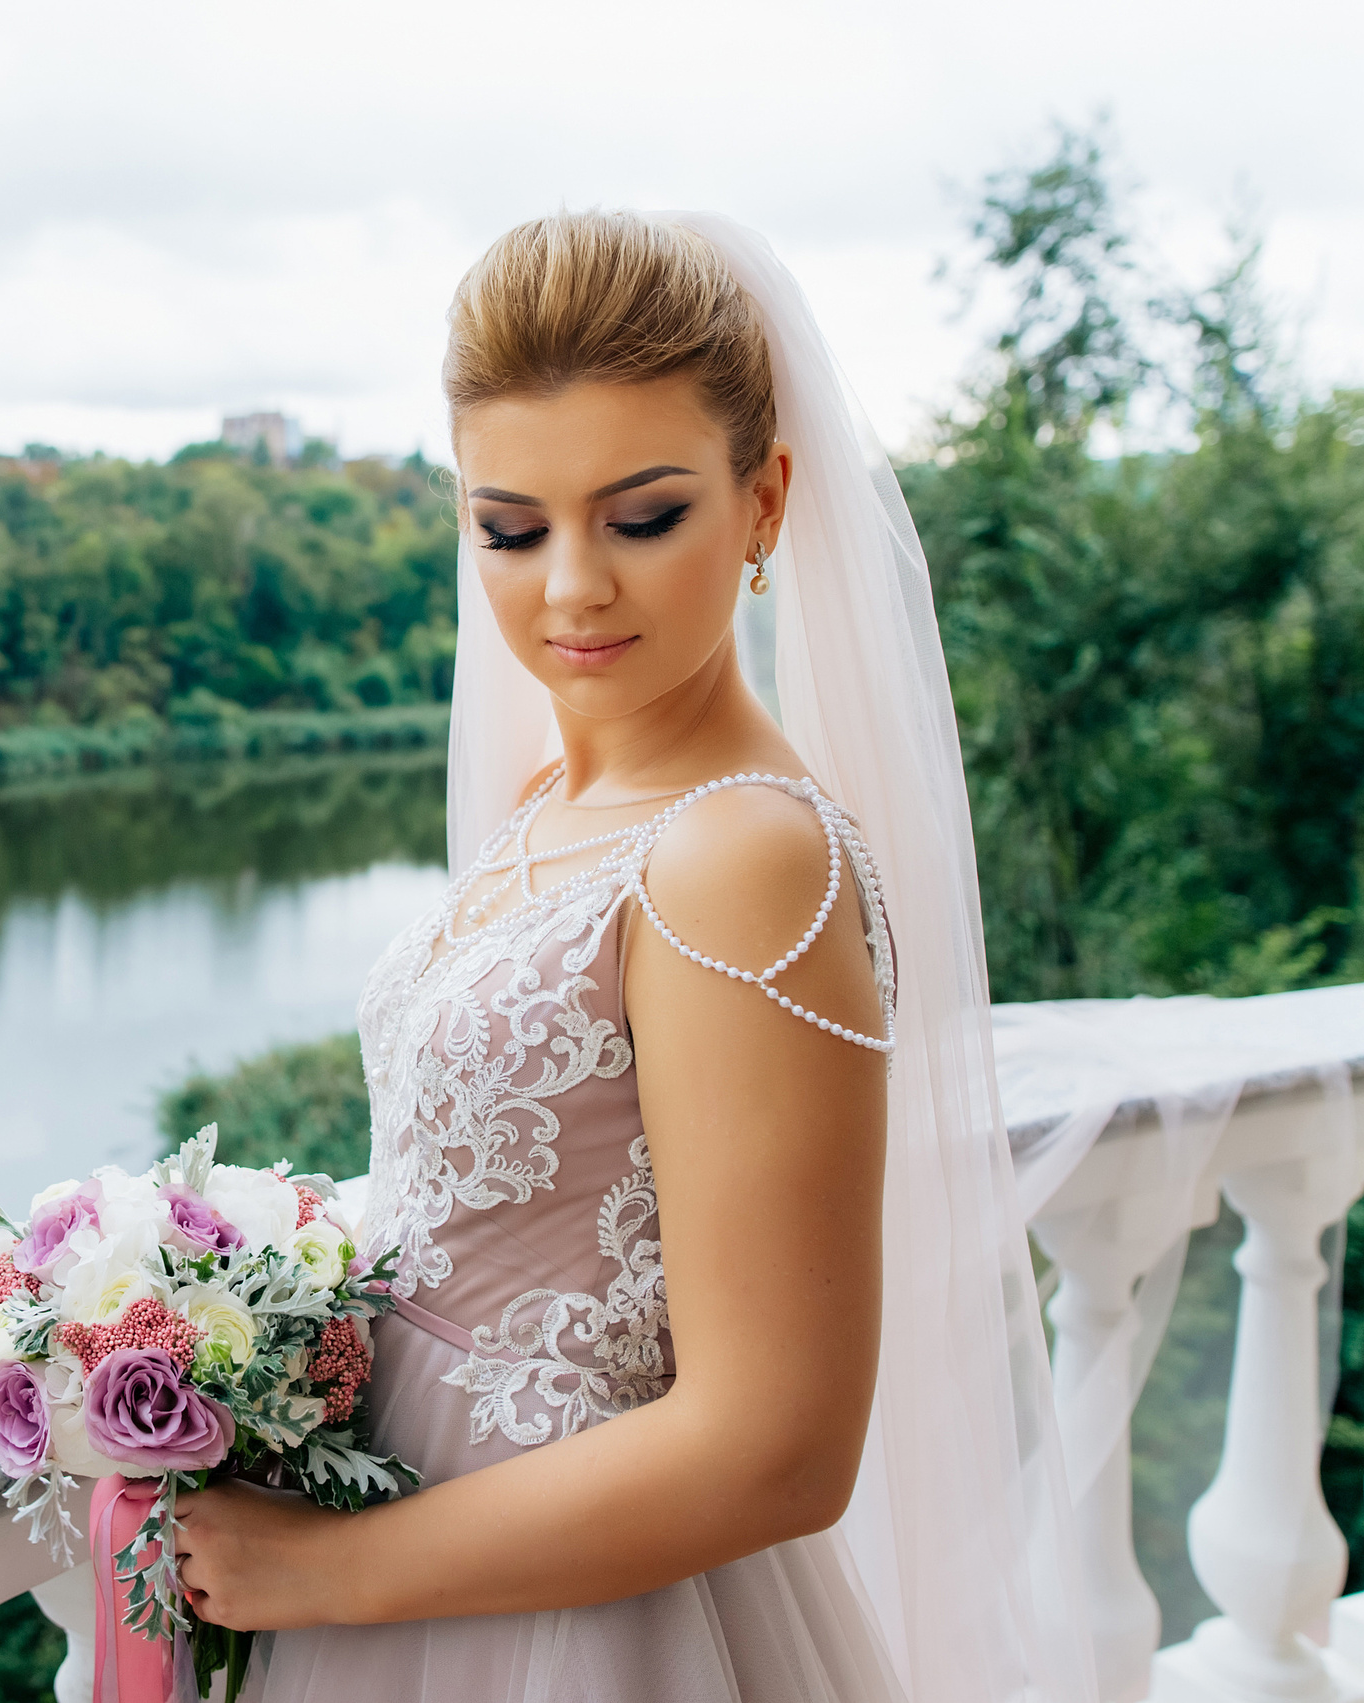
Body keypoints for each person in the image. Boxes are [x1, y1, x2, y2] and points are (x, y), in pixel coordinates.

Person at [169, 212, 1098, 1703]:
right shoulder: (559, 800)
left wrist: (322, 1569)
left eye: (643, 516)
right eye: (513, 528)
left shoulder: (741, 856)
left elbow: (778, 1447)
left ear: (767, 501)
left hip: (569, 1629)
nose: (571, 592)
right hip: (423, 1577)